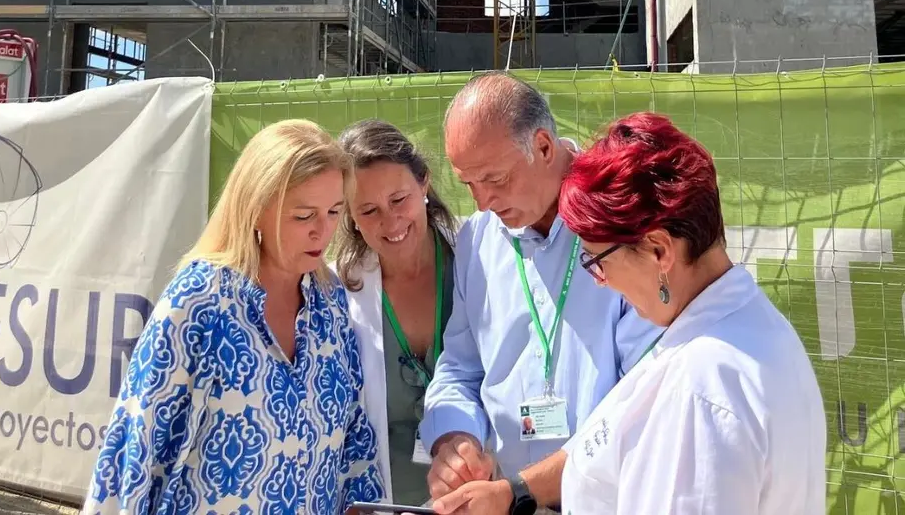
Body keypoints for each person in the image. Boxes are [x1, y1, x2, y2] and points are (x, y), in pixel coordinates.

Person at [83, 119, 385, 514]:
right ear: (255, 210)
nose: (322, 231)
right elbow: (136, 454)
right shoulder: (199, 301)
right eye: (303, 215)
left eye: (333, 212)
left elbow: (354, 442)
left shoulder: (331, 305)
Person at [553, 112, 826, 514]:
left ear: (659, 250)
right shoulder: (754, 327)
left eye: (597, 261)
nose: (598, 280)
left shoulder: (699, 389)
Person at [420, 72, 662, 515]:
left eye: (494, 178)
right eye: (468, 183)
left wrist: (521, 490)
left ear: (545, 148)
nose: (482, 202)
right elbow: (460, 366)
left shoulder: (622, 225)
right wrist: (455, 440)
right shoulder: (477, 240)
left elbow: (644, 398)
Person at [333, 119, 459, 507]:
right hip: (386, 501)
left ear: (423, 182)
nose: (391, 223)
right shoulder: (339, 291)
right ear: (349, 216)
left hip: (480, 490)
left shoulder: (477, 258)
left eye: (399, 200)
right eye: (368, 211)